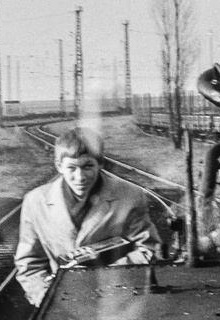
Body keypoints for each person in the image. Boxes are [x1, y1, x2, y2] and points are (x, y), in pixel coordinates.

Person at [15, 126, 160, 305]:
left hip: (119, 300)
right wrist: (46, 298)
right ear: (58, 166)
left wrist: (101, 281)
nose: (80, 176)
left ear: (101, 163)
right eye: (71, 168)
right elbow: (29, 262)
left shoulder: (130, 196)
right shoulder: (35, 202)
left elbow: (148, 249)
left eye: (88, 166)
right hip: (62, 305)